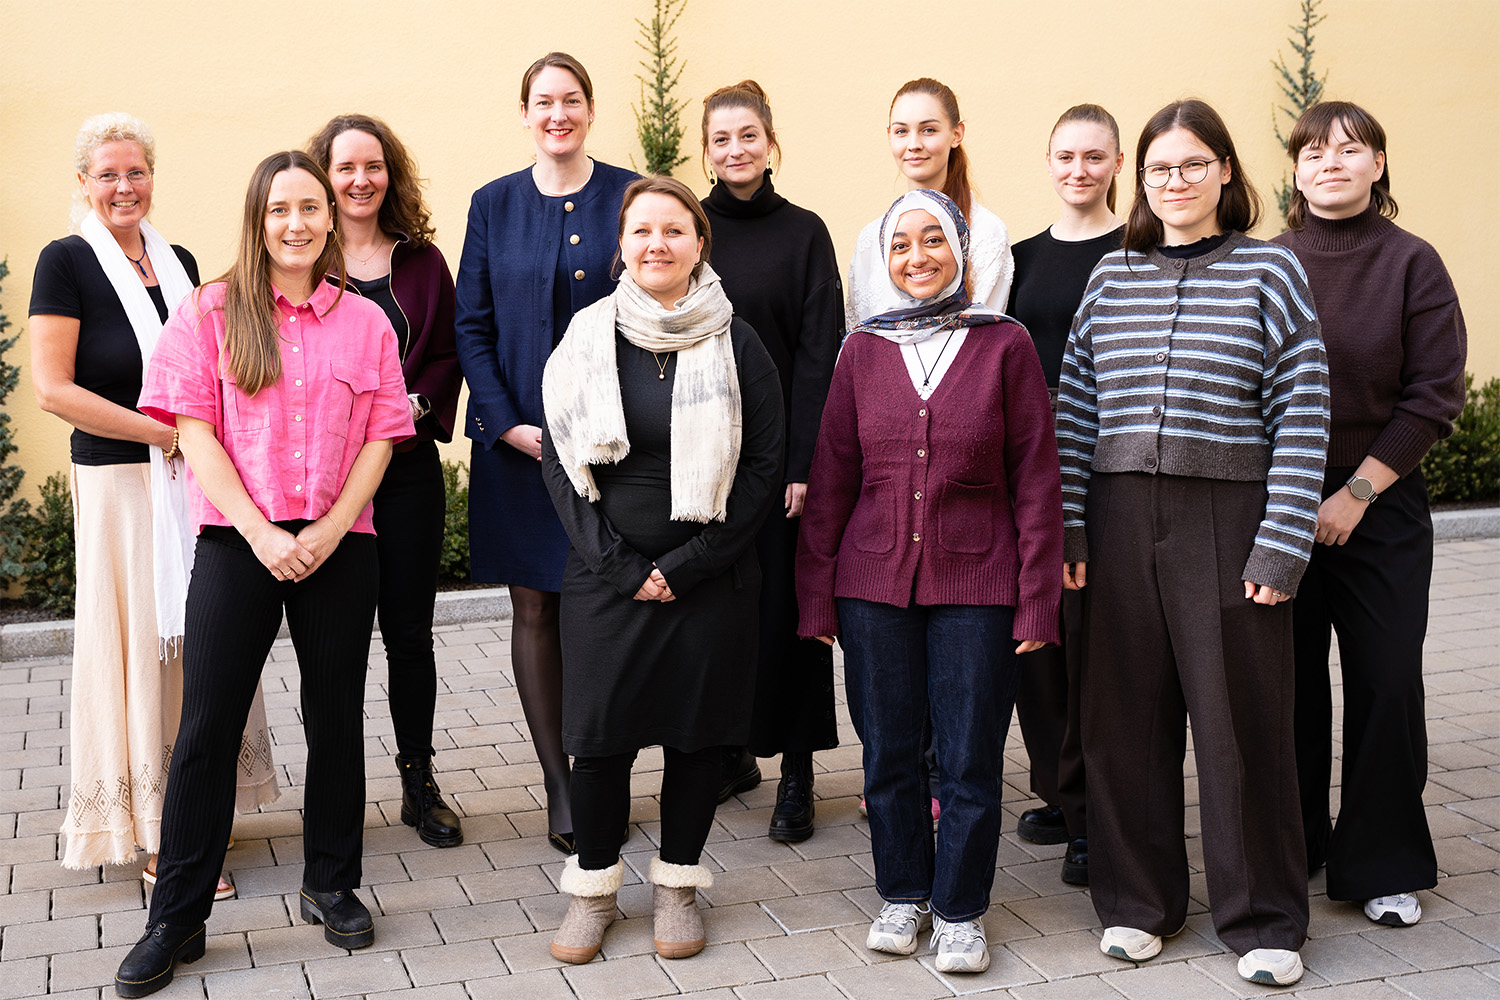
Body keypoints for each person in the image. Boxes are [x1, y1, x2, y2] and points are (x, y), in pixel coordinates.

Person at [114, 151, 413, 997]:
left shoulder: (366, 321)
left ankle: (332, 883)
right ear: (258, 217)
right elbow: (192, 432)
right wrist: (259, 532)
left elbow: (382, 437)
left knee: (336, 717)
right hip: (235, 543)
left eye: (310, 207)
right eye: (280, 208)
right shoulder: (209, 312)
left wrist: (325, 529)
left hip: (338, 544)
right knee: (206, 728)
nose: (296, 223)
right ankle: (175, 917)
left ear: (329, 218)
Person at [1056, 99, 1329, 987]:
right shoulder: (1111, 275)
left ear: (1225, 171)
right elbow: (1076, 408)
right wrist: (1071, 524)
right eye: (1159, 170)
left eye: (1191, 165)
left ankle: (1263, 918)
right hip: (1118, 515)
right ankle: (1139, 905)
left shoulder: (1270, 271)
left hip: (1230, 518)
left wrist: (1282, 544)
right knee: (1122, 720)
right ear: (1141, 182)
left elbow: (1303, 413)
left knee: (1240, 722)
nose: (1174, 182)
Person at [797, 189, 1062, 974]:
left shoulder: (1004, 343)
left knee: (971, 758)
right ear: (885, 260)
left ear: (962, 251)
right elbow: (832, 479)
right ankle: (904, 892)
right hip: (872, 586)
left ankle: (960, 909)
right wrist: (816, 595)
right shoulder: (862, 351)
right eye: (901, 245)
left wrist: (1038, 598)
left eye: (934, 240)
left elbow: (1036, 480)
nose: (918, 257)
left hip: (980, 585)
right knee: (888, 754)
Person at [30, 113, 276, 899]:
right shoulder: (65, 262)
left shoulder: (181, 263)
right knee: (144, 643)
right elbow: (53, 389)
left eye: (135, 171)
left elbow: (207, 371)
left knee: (204, 633)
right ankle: (163, 833)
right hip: (121, 485)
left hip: (192, 477)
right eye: (107, 174)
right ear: (83, 183)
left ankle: (201, 800)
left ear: (152, 177)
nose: (123, 186)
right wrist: (165, 435)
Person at [539, 176, 784, 965]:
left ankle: (678, 883)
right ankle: (594, 888)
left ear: (699, 243)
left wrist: (690, 564)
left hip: (710, 580)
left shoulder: (739, 342)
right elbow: (561, 463)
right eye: (641, 230)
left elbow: (764, 467)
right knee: (599, 742)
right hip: (605, 578)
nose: (657, 244)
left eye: (674, 230)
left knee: (698, 738)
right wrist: (621, 566)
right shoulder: (586, 337)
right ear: (622, 244)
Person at [1274, 100, 1467, 927]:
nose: (1331, 163)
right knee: (1288, 686)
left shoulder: (1412, 262)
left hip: (1381, 502)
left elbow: (1434, 395)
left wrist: (1356, 493)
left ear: (1378, 164)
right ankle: (1295, 844)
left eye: (1350, 150)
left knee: (1387, 681)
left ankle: (1382, 861)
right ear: (1295, 169)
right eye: (1314, 151)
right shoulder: (1269, 263)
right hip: (1281, 498)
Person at [455, 53, 639, 854]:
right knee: (534, 607)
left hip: (614, 448)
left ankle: (602, 771)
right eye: (543, 101)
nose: (557, 114)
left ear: (589, 111)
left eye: (570, 100)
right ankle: (560, 788)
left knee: (608, 609)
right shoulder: (491, 204)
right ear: (525, 114)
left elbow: (657, 301)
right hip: (520, 450)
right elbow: (471, 325)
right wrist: (505, 424)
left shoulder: (629, 194)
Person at [308, 113, 465, 849]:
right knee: (332, 642)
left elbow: (448, 353)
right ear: (324, 177)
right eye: (345, 167)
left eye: (373, 166)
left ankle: (418, 781)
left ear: (389, 173)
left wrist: (410, 409)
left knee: (409, 634)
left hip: (405, 474)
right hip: (323, 482)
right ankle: (333, 790)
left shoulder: (422, 261)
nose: (360, 180)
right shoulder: (301, 257)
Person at [699, 80, 843, 839]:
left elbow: (821, 353)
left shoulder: (805, 233)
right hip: (705, 459)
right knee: (718, 614)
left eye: (747, 135)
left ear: (770, 141)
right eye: (721, 140)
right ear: (706, 152)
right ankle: (728, 754)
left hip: (781, 460)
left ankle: (797, 772)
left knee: (789, 614)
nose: (736, 150)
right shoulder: (690, 231)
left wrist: (803, 462)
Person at [1006, 104, 1124, 886]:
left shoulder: (1139, 251)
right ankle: (1059, 789)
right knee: (1037, 645)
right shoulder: (1020, 258)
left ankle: (1096, 812)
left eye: (1094, 156)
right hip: (1028, 472)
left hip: (1108, 470)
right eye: (1065, 156)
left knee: (1094, 647)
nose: (1078, 170)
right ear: (1048, 162)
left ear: (1116, 164)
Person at [846, 77, 1013, 328]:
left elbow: (983, 337)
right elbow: (859, 333)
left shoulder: (986, 232)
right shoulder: (871, 238)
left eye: (928, 130)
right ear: (889, 136)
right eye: (901, 131)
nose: (914, 145)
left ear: (956, 134)